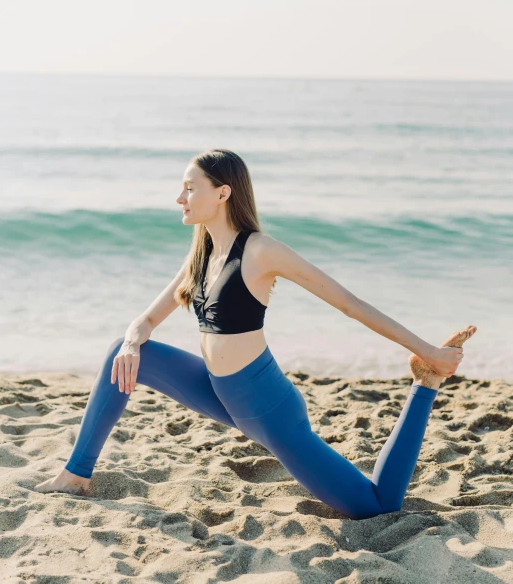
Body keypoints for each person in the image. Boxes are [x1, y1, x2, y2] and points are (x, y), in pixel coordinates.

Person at [36, 148, 476, 520]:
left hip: (268, 410)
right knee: (123, 351)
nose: (179, 198)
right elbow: (144, 321)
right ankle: (76, 474)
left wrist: (428, 350)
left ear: (222, 192)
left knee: (377, 506)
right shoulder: (203, 253)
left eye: (190, 187)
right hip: (217, 391)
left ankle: (425, 383)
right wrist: (134, 340)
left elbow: (349, 303)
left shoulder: (262, 251)